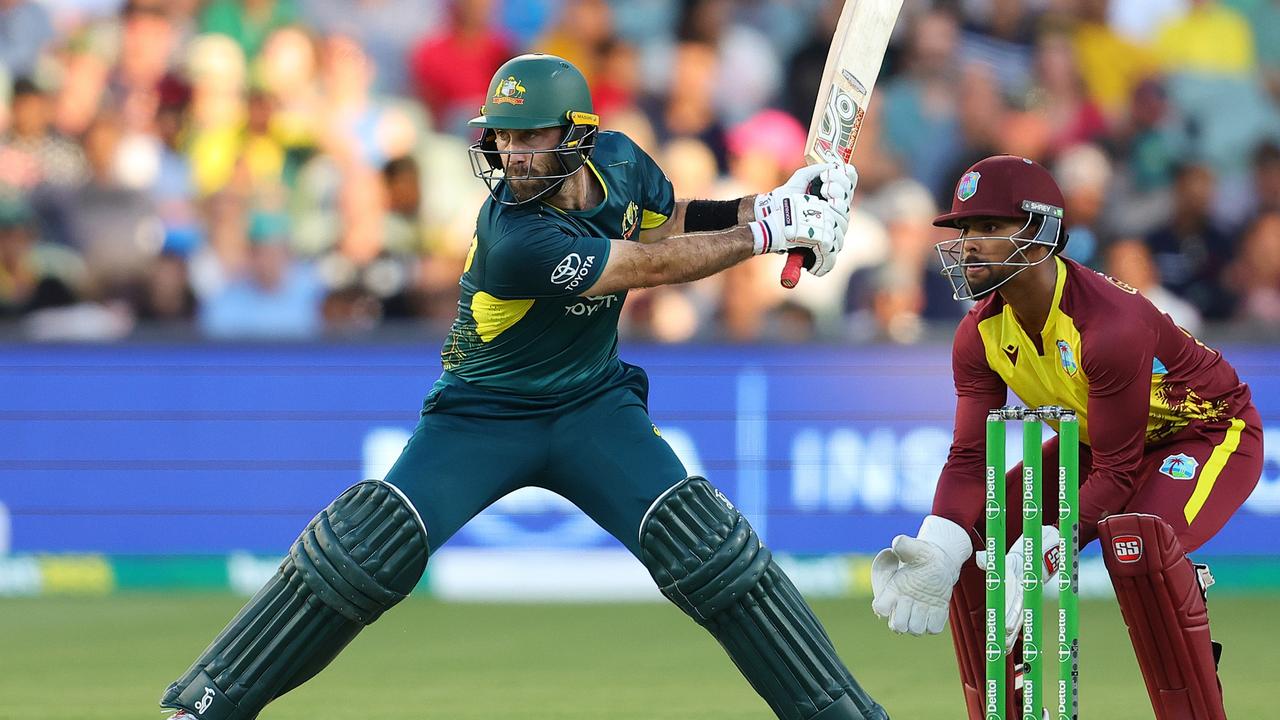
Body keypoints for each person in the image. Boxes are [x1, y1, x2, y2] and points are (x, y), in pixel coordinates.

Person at [160, 53, 889, 720]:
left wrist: (772, 205)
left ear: (576, 135)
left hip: (593, 407)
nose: (512, 155)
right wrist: (766, 235)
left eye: (529, 136)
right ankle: (205, 704)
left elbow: (668, 228)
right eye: (502, 138)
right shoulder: (515, 237)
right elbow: (648, 267)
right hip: (482, 414)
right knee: (359, 554)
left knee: (715, 553)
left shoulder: (624, 163)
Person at [868, 155, 1261, 720]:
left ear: (1038, 233)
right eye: (964, 230)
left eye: (989, 227)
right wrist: (940, 546)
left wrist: (1053, 542)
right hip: (1098, 444)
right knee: (979, 536)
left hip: (1205, 434)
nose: (969, 244)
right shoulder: (977, 333)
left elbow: (1120, 477)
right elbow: (969, 454)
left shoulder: (1109, 326)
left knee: (1140, 547)